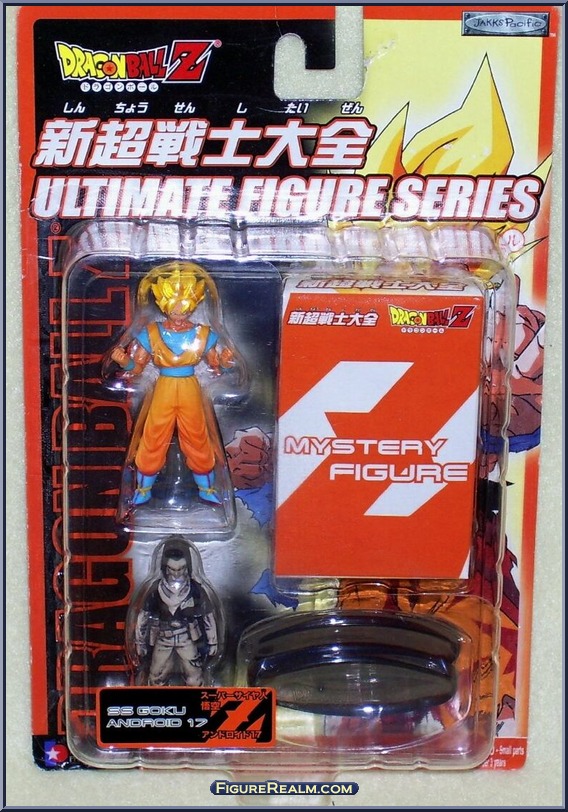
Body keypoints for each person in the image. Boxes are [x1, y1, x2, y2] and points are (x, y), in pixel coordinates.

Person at [111, 261, 236, 506]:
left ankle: (207, 489)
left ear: (194, 305)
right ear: (163, 305)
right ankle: (143, 489)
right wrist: (124, 361)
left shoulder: (203, 333)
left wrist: (225, 362)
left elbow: (216, 366)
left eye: (185, 308)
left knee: (197, 435)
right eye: (174, 308)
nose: (179, 314)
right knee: (154, 435)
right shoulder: (151, 332)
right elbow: (137, 368)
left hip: (190, 388)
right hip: (164, 388)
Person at [132, 537, 219, 686]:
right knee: (156, 676)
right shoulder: (155, 590)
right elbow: (143, 617)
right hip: (163, 638)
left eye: (181, 569)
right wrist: (140, 642)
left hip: (187, 638)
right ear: (165, 568)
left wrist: (213, 642)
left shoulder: (195, 590)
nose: (177, 574)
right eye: (172, 569)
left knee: (195, 676)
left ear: (187, 567)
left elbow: (208, 617)